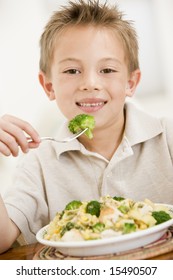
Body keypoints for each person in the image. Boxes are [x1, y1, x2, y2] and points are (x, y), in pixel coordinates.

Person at [0, 0, 173, 253]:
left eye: (107, 69)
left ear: (131, 83)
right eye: (72, 70)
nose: (90, 83)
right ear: (49, 87)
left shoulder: (167, 138)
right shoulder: (37, 163)